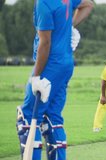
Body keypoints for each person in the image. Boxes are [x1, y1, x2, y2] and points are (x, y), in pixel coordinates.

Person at [16, 0, 93, 159]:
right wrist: (69, 27)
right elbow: (88, 4)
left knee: (27, 119)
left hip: (49, 66)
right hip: (66, 65)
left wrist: (36, 76)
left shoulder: (43, 3)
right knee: (52, 118)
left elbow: (45, 43)